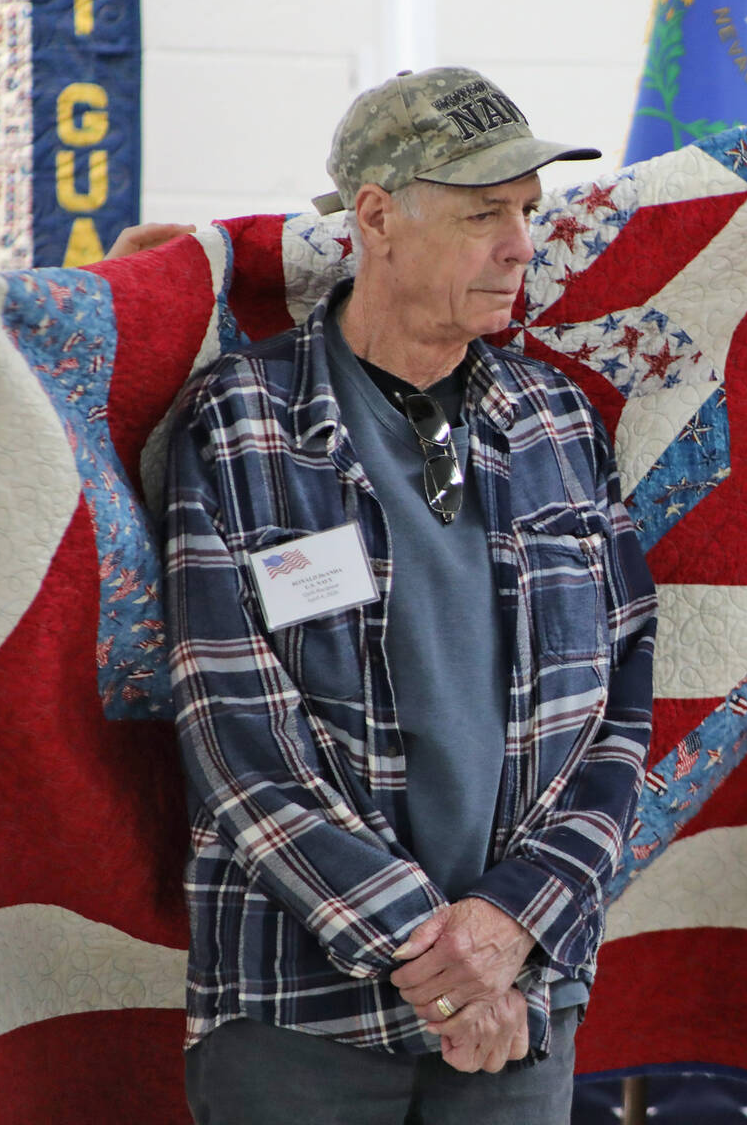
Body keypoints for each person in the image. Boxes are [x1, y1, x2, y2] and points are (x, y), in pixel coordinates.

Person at [164, 65, 658, 1125]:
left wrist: (507, 930)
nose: (522, 245)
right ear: (378, 216)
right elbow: (239, 741)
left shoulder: (561, 425)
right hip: (300, 1015)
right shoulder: (243, 424)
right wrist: (434, 953)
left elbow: (621, 712)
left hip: (523, 996)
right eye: (486, 213)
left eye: (526, 212)